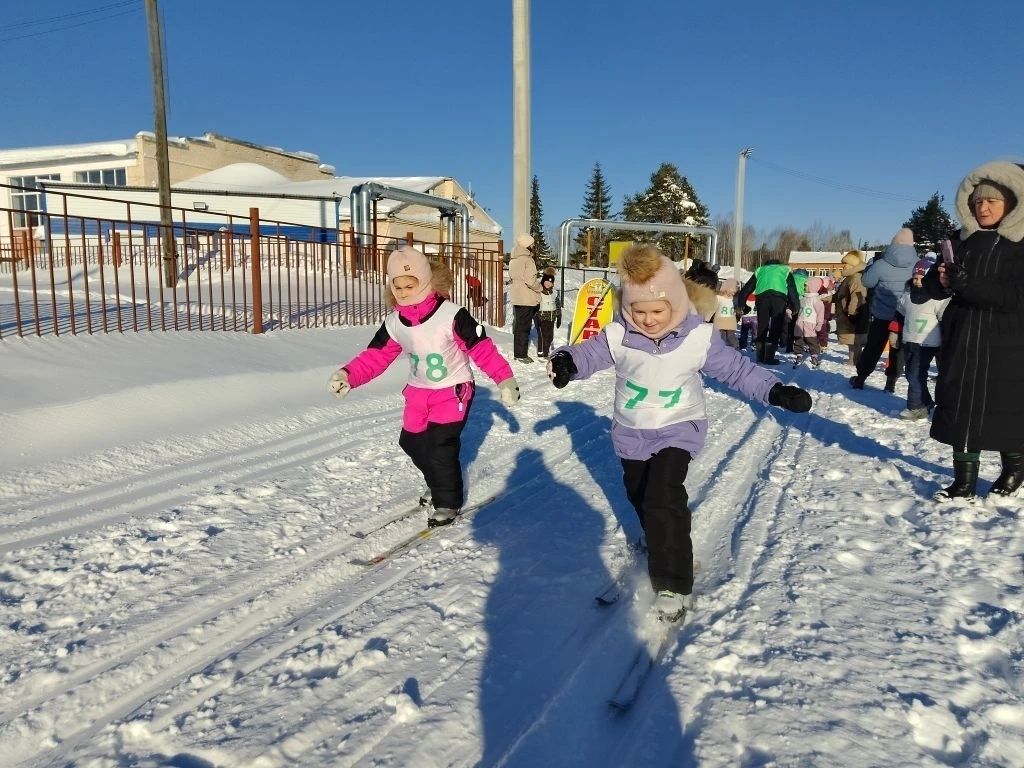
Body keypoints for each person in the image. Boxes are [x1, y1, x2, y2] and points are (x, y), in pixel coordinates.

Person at [545, 245, 811, 621]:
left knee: (662, 498)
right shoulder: (618, 334)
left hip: (678, 429)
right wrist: (567, 363)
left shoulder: (697, 337)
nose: (649, 319)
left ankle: (673, 582)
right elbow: (587, 355)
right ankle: (658, 533)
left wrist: (774, 390)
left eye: (657, 310)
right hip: (631, 433)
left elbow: (737, 370)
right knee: (641, 496)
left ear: (676, 303)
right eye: (639, 311)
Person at [328, 245, 521, 526]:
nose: (404, 291)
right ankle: (437, 481)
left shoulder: (452, 314)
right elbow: (375, 356)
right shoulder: (395, 322)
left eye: (411, 284)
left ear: (427, 281)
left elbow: (481, 348)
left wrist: (504, 380)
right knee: (411, 442)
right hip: (418, 393)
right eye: (398, 286)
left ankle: (448, 501)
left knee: (441, 446)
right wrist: (348, 375)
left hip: (453, 389)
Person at [923, 161, 1024, 499]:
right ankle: (963, 481)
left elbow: (1015, 297)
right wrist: (937, 282)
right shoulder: (961, 240)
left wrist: (969, 284)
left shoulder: (1020, 245)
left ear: (1011, 204)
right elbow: (938, 288)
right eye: (978, 201)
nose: (982, 207)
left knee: (1005, 410)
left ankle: (1015, 466)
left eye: (992, 201)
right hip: (964, 338)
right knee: (961, 409)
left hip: (1007, 342)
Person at [850, 229, 917, 391]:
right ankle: (891, 382)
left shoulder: (881, 264)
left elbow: (867, 282)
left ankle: (861, 377)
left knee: (873, 347)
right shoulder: (917, 264)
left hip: (881, 315)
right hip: (904, 315)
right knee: (897, 350)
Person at [897, 256, 947, 420]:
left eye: (922, 278)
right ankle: (926, 401)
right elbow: (899, 315)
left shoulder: (939, 299)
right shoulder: (907, 296)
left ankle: (916, 407)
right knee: (911, 373)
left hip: (927, 343)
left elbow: (944, 320)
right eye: (915, 278)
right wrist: (893, 333)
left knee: (915, 375)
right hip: (909, 341)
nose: (917, 282)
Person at [735, 259, 800, 365]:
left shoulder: (760, 270)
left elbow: (747, 288)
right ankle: (769, 357)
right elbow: (792, 290)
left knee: (762, 325)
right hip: (779, 298)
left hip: (762, 298)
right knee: (776, 326)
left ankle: (760, 356)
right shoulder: (784, 270)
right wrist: (796, 306)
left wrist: (742, 304)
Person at [508, 233, 542, 363]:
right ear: (527, 245)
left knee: (519, 326)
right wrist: (540, 288)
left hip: (517, 296)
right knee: (524, 327)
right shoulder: (528, 260)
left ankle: (518, 353)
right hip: (527, 298)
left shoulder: (513, 259)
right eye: (532, 243)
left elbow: (512, 277)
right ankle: (521, 355)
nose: (533, 245)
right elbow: (530, 281)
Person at [834, 251, 869, 365]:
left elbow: (857, 296)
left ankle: (854, 360)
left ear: (853, 265)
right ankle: (854, 359)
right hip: (849, 313)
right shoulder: (850, 277)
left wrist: (852, 312)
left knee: (855, 338)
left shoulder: (856, 277)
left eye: (846, 264)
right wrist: (829, 298)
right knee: (852, 339)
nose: (843, 266)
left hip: (853, 313)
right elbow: (842, 294)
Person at [793, 276, 825, 367]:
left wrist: (819, 324)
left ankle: (814, 356)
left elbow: (820, 313)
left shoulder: (816, 300)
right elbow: (796, 307)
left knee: (812, 341)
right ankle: (799, 355)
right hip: (800, 323)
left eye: (806, 286)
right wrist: (790, 311)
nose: (804, 287)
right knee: (799, 340)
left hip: (810, 324)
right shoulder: (802, 298)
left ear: (812, 286)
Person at [535, 269, 562, 358]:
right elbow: (534, 304)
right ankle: (542, 353)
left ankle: (545, 352)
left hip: (552, 317)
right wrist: (536, 316)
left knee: (550, 337)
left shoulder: (554, 292)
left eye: (550, 282)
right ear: (543, 281)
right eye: (547, 281)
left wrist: (559, 317)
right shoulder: (539, 291)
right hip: (542, 317)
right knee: (543, 336)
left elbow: (557, 304)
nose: (548, 284)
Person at [714, 278, 739, 348]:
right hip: (728, 320)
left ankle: (721, 348)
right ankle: (733, 347)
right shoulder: (734, 298)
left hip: (722, 320)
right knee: (728, 336)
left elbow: (714, 307)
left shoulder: (718, 297)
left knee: (722, 336)